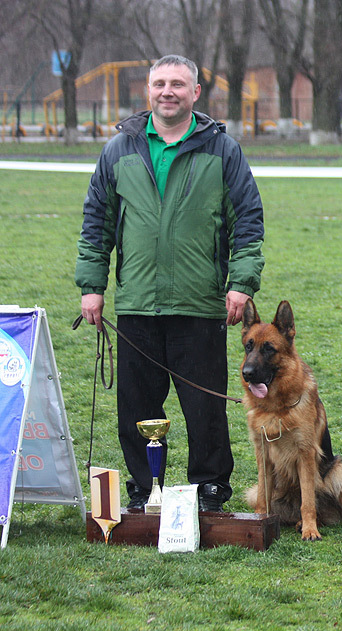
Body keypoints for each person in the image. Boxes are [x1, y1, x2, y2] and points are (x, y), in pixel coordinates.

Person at [76, 54, 264, 512]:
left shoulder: (222, 150)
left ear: (196, 92)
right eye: (159, 83)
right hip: (137, 304)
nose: (167, 91)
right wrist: (92, 285)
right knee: (137, 408)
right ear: (147, 91)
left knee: (204, 409)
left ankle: (210, 488)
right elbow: (96, 223)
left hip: (200, 305)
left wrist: (241, 283)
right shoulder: (119, 149)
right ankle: (146, 490)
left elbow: (248, 222)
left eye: (177, 84)